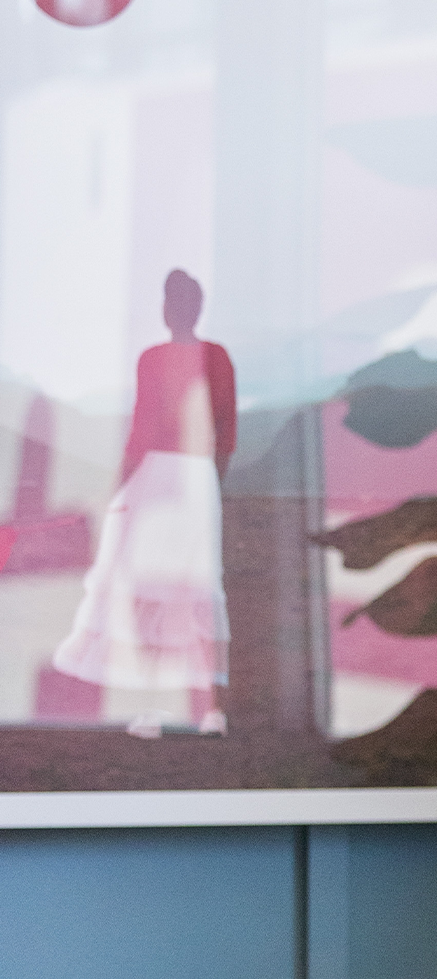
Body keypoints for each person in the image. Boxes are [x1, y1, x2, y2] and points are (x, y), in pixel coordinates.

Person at [55, 269, 238, 735]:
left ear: (169, 309)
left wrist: (123, 486)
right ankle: (205, 711)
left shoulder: (160, 358)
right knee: (187, 593)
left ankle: (167, 709)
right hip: (192, 478)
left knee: (156, 594)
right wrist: (211, 482)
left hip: (162, 476)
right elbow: (225, 431)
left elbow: (144, 428)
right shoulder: (212, 357)